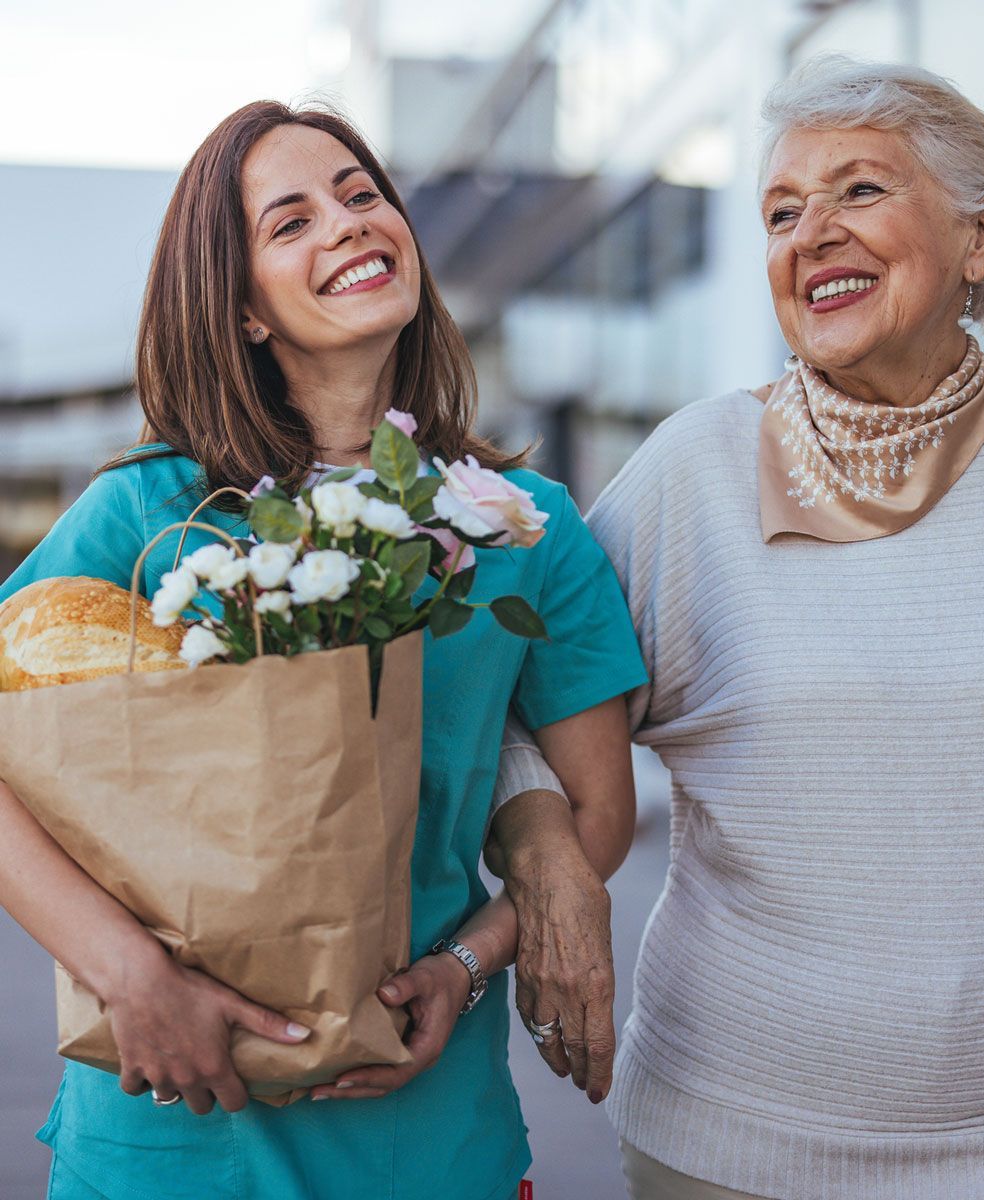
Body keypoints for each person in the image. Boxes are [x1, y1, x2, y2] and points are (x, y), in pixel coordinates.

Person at [490, 57, 984, 1200]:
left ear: (982, 237)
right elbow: (515, 696)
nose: (811, 232)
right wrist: (545, 856)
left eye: (860, 191)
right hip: (739, 1144)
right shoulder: (695, 470)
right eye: (781, 211)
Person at [0, 101, 646, 1200]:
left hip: (423, 1130)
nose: (349, 224)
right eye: (289, 221)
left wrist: (464, 964)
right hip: (167, 1122)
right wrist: (130, 976)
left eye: (361, 196)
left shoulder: (523, 526)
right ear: (244, 309)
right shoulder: (149, 514)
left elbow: (598, 815)